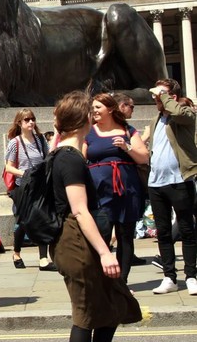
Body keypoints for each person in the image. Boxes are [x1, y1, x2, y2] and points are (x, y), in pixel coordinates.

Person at [49, 91, 141, 342]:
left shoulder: (66, 155)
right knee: (86, 314)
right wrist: (104, 253)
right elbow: (79, 210)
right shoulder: (70, 159)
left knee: (111, 307)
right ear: (84, 120)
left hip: (78, 240)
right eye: (91, 113)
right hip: (75, 243)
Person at [83, 93, 149, 285]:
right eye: (93, 107)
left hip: (126, 189)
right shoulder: (89, 132)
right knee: (102, 233)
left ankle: (122, 282)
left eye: (98, 107)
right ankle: (103, 281)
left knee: (125, 235)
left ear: (110, 109)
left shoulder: (127, 130)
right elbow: (80, 157)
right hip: (99, 191)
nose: (94, 111)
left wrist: (127, 147)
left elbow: (143, 157)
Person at [146, 79, 197, 295]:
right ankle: (169, 277)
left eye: (162, 95)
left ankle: (192, 276)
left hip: (179, 180)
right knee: (164, 232)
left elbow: (181, 114)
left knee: (186, 229)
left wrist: (164, 96)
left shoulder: (185, 114)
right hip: (156, 183)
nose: (157, 98)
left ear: (172, 97)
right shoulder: (156, 118)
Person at [3, 109, 55, 271]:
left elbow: (49, 156)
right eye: (27, 120)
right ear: (20, 123)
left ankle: (43, 259)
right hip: (23, 188)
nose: (31, 122)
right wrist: (25, 174)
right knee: (24, 222)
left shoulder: (40, 139)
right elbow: (8, 168)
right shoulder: (15, 142)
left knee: (42, 218)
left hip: (40, 186)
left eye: (32, 119)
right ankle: (16, 253)